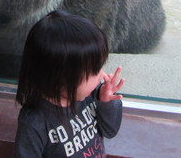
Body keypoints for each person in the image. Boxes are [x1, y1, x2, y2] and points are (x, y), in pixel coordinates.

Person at [13, 10, 125, 157]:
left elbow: (110, 131)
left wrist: (105, 102)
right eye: (94, 71)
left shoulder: (91, 96)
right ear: (61, 77)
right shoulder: (35, 123)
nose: (102, 75)